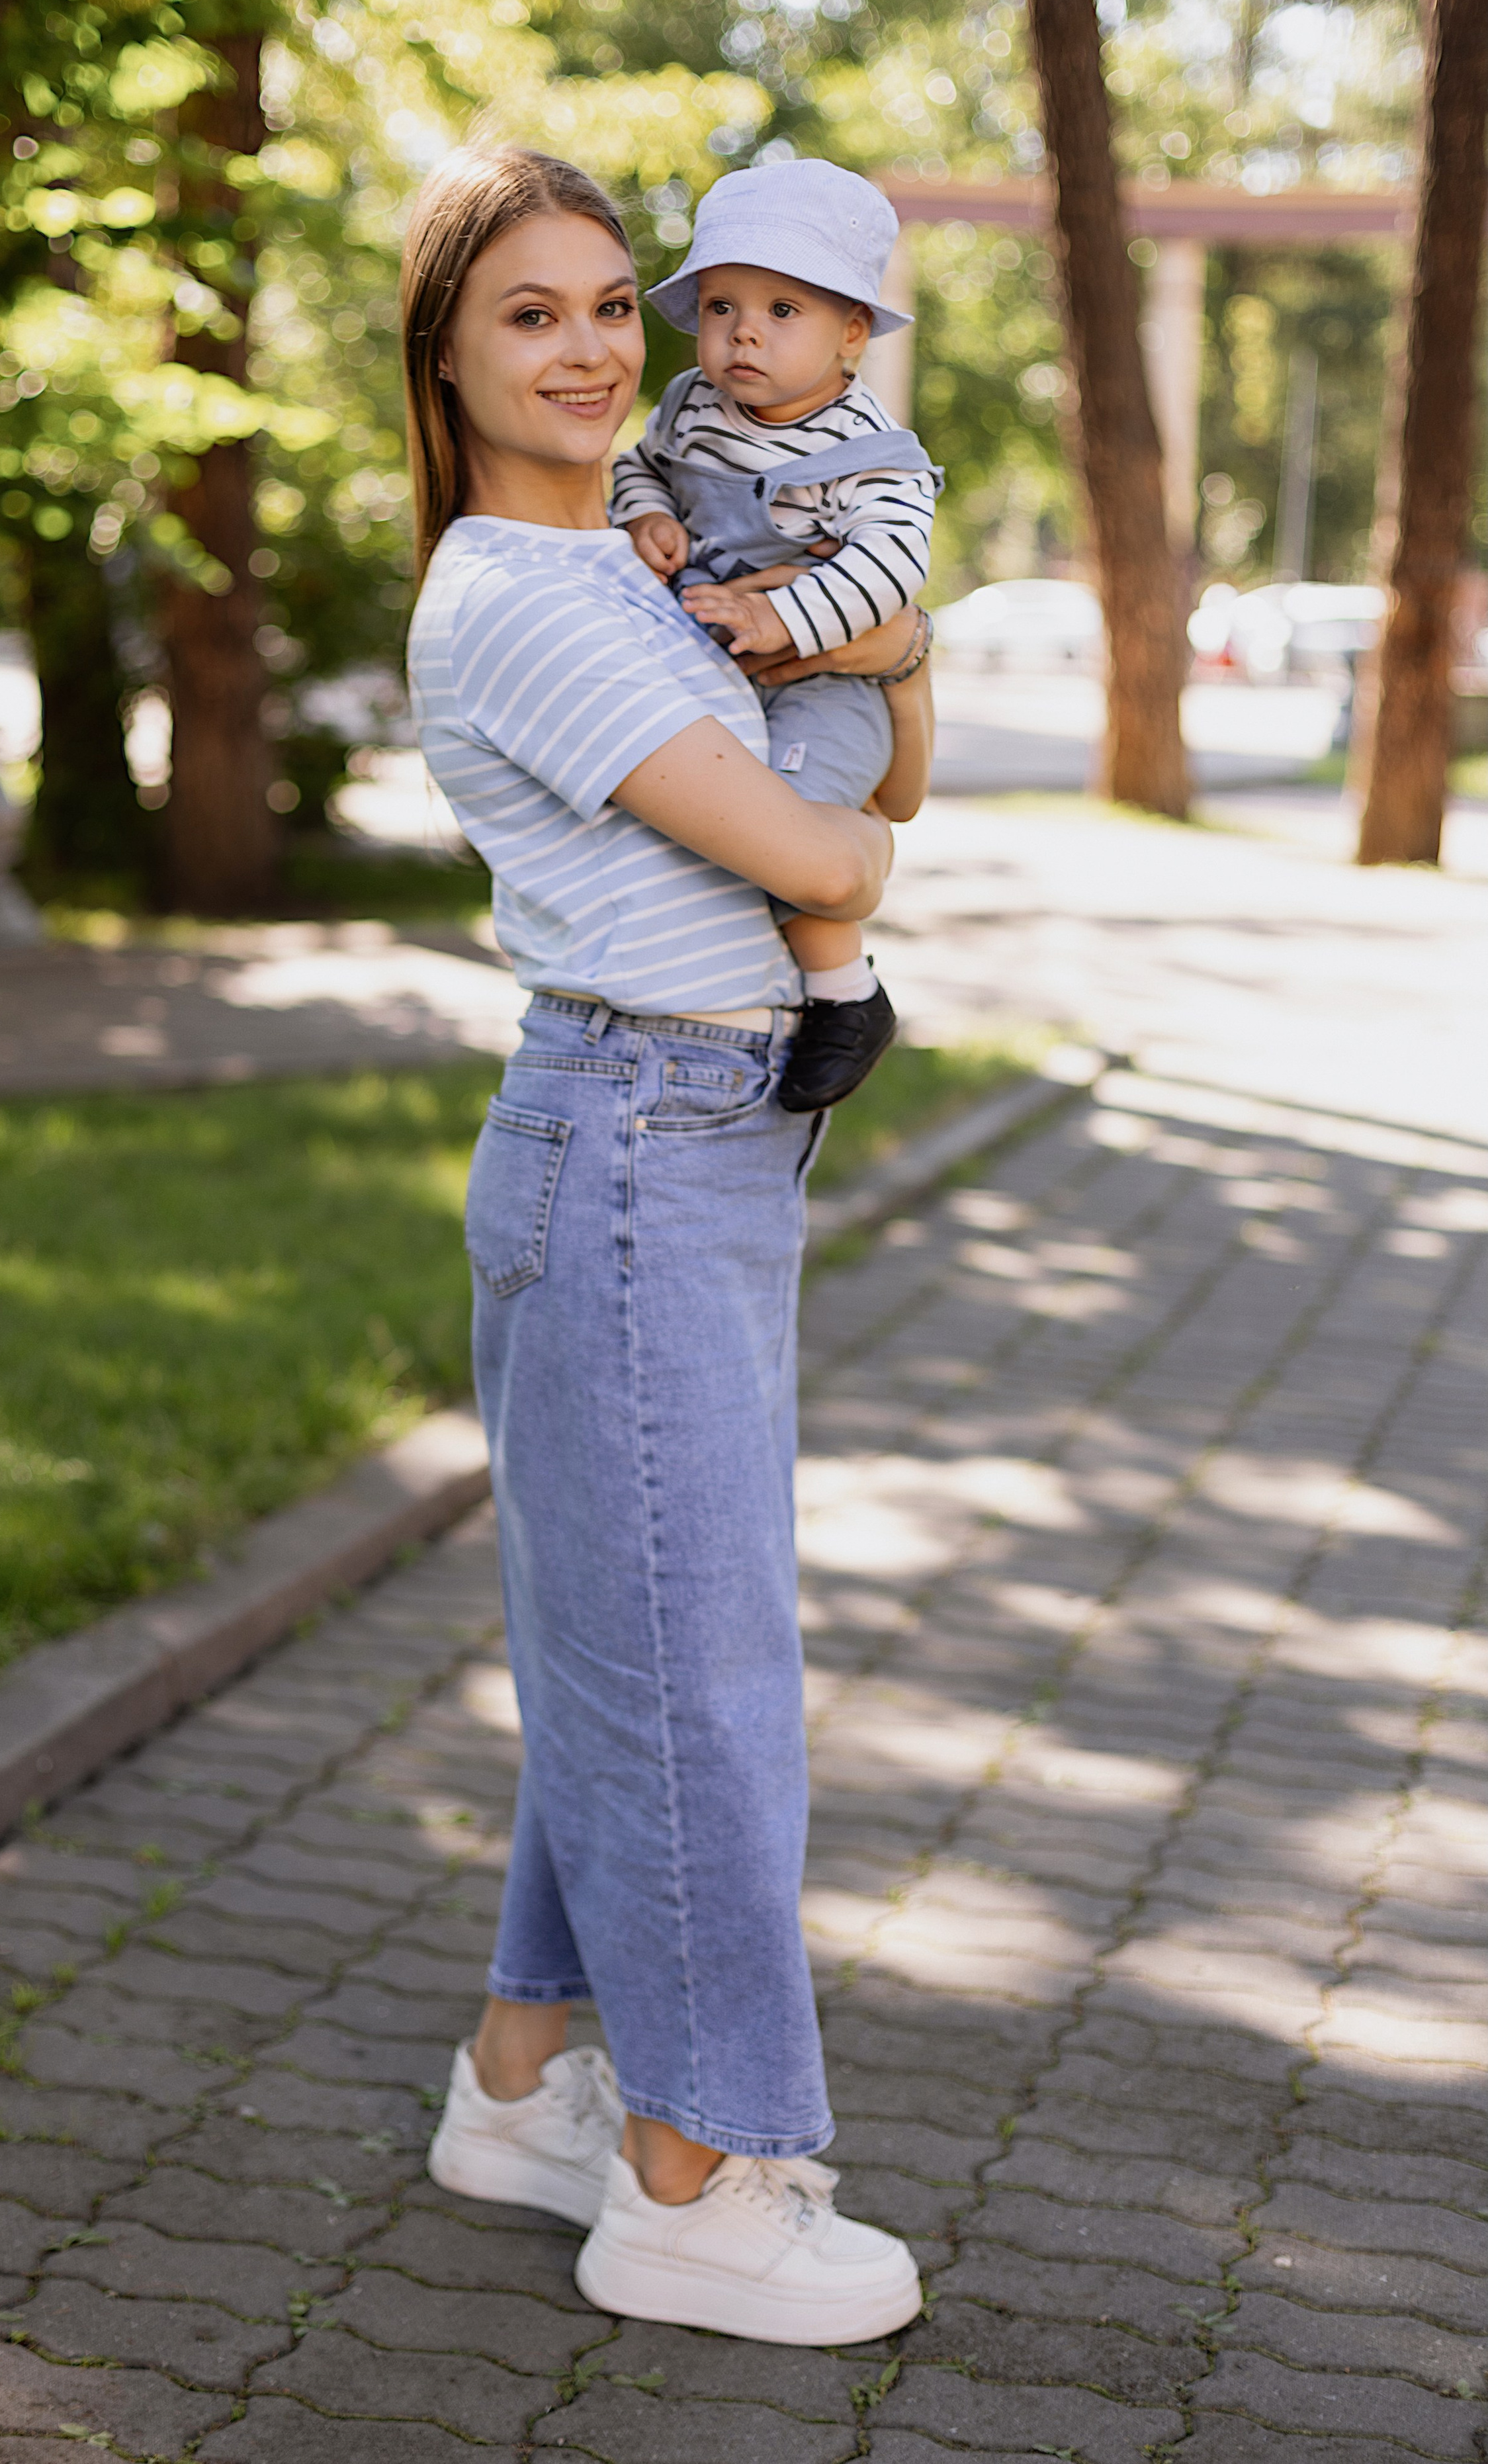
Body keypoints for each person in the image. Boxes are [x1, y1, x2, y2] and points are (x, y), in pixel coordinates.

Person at [402, 144, 932, 2348]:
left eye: (617, 303)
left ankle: (524, 2089)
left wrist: (884, 689)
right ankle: (700, 2184)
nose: (600, 347)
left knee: (632, 1649)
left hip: (689, 1138)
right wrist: (867, 781)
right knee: (696, 1683)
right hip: (635, 1133)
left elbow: (890, 756)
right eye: (534, 311)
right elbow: (831, 839)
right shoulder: (522, 598)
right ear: (444, 349)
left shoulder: (629, 559)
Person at [611, 157, 941, 1114]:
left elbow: (890, 576)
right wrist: (644, 520)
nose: (743, 331)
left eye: (782, 311)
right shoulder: (694, 412)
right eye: (721, 307)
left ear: (852, 335)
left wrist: (781, 616)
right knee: (725, 821)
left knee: (783, 823)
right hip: (718, 664)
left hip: (824, 685)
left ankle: (848, 993)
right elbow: (644, 471)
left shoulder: (874, 454)